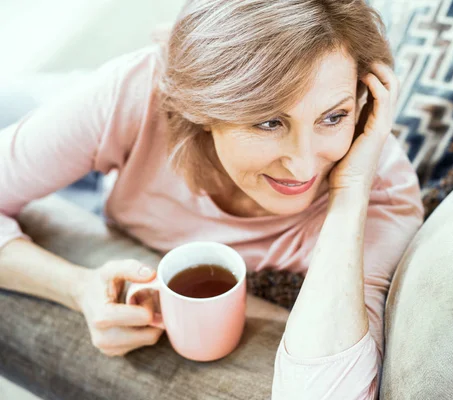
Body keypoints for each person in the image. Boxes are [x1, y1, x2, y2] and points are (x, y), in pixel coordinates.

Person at [0, 0, 423, 398]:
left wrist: (348, 199)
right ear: (203, 108)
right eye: (269, 121)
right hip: (99, 148)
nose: (302, 166)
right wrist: (77, 287)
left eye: (333, 116)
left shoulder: (381, 194)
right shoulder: (136, 90)